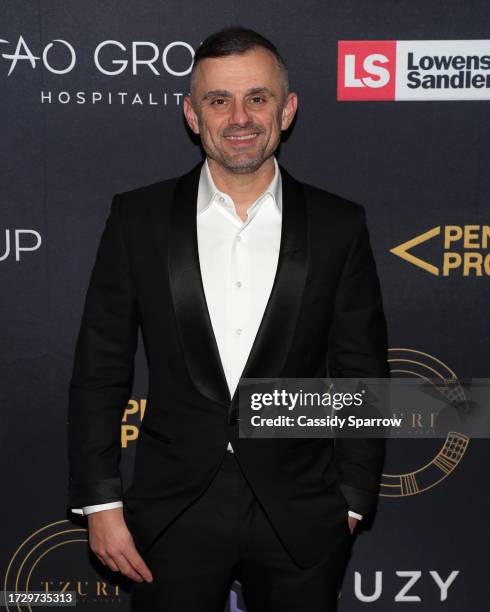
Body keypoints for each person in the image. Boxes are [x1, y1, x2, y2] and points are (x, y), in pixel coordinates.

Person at [67, 25, 390, 611]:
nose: (239, 117)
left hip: (304, 510)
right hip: (173, 509)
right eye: (219, 100)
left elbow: (361, 372)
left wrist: (351, 499)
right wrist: (101, 503)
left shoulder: (339, 224)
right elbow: (100, 368)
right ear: (192, 114)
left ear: (286, 109)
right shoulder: (138, 219)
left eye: (257, 98)